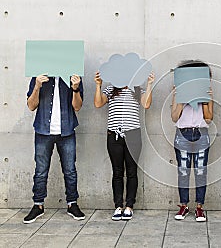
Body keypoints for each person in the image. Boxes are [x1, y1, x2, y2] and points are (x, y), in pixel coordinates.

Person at [24, 74, 85, 224]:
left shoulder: (73, 77)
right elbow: (31, 106)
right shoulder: (38, 76)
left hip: (67, 131)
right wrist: (37, 86)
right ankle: (38, 205)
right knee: (40, 171)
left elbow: (77, 107)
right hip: (43, 131)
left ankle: (72, 204)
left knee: (70, 170)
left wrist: (75, 89)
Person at [94, 71, 154, 220]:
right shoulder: (111, 89)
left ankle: (129, 206)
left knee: (132, 171)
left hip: (133, 135)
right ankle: (118, 206)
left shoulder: (138, 89)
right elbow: (98, 103)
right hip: (114, 135)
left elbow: (146, 104)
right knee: (117, 172)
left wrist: (150, 84)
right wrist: (98, 85)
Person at [171, 61, 213, 222]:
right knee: (183, 171)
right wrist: (181, 100)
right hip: (182, 134)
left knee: (201, 172)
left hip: (201, 134)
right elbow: (174, 117)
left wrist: (204, 102)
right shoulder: (177, 92)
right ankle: (184, 205)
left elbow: (209, 119)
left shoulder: (207, 92)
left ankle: (200, 208)